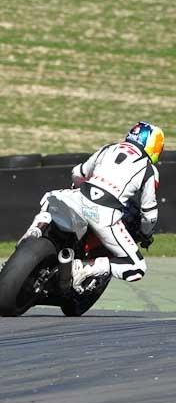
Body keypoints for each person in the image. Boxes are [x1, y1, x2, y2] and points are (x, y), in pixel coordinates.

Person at [20, 121, 164, 290]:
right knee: (136, 267)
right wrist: (146, 234)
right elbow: (149, 213)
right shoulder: (149, 170)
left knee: (51, 203)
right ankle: (85, 268)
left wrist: (77, 188)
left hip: (79, 196)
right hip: (105, 213)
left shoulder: (109, 148)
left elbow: (78, 173)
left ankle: (35, 230)